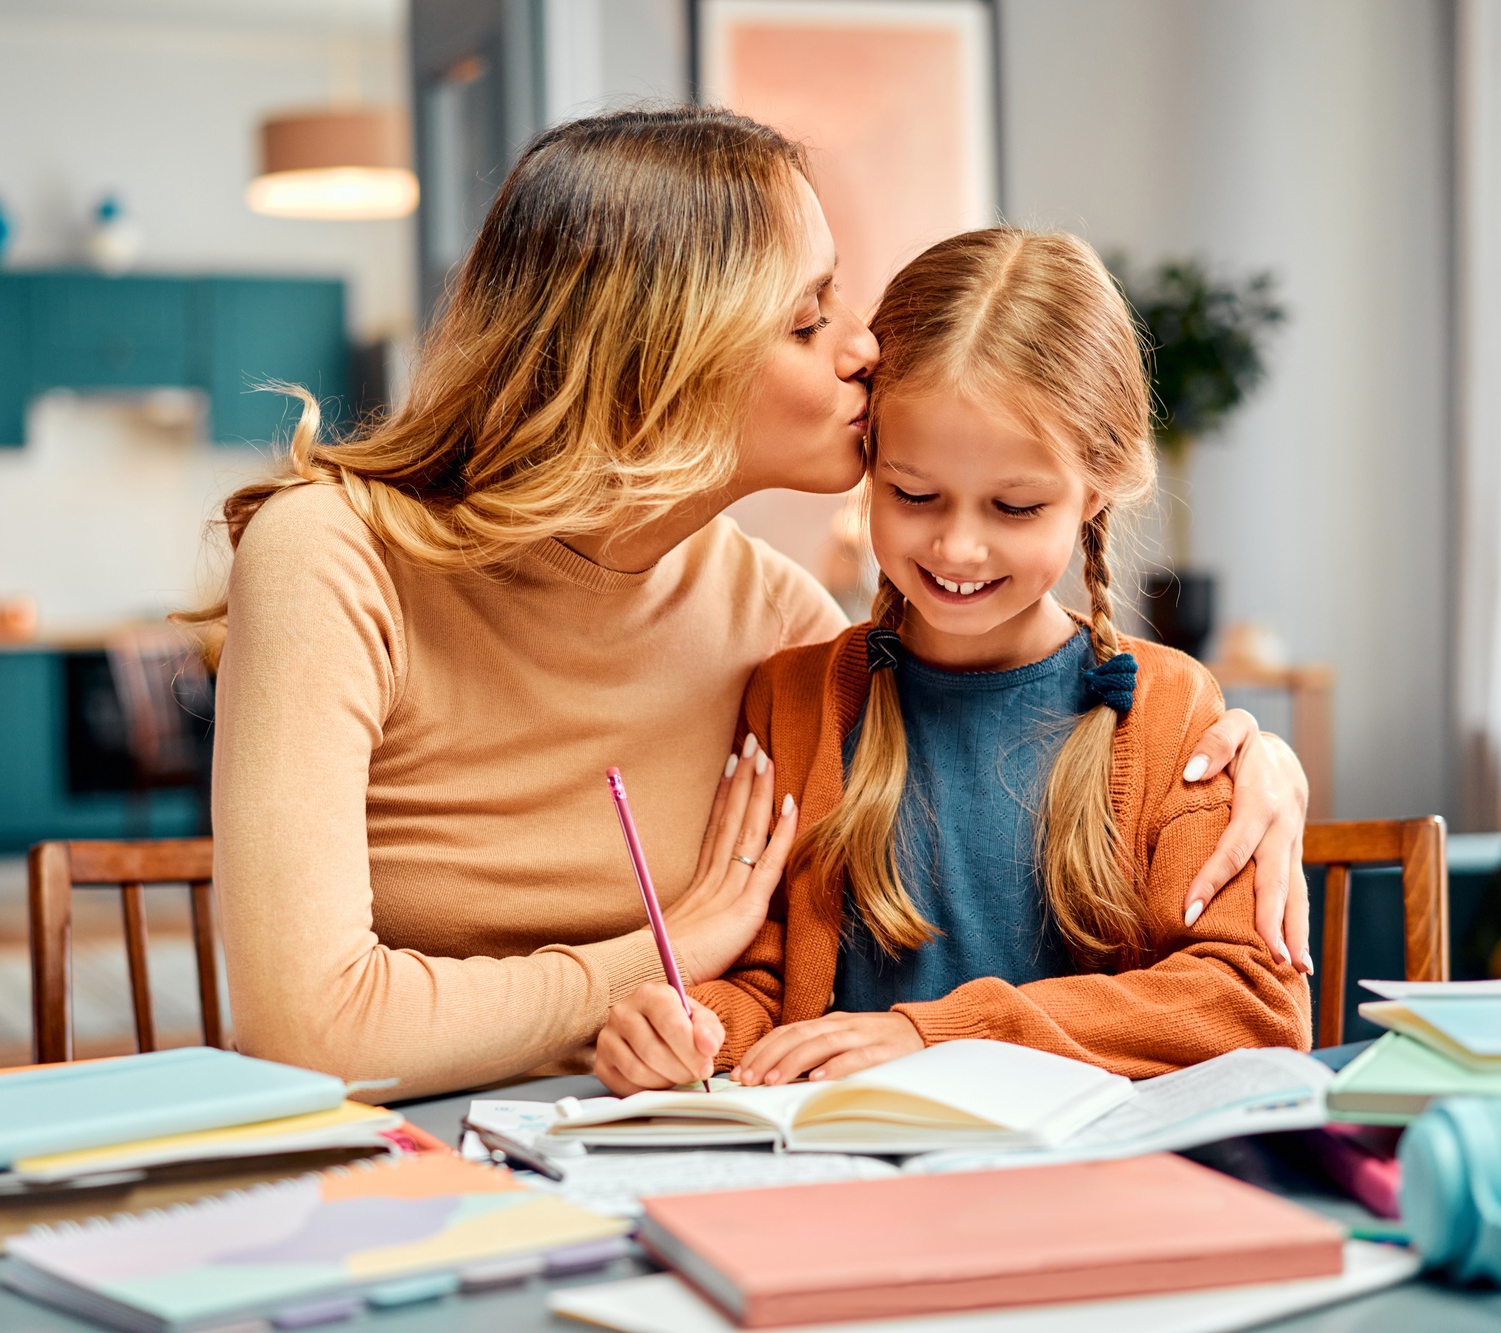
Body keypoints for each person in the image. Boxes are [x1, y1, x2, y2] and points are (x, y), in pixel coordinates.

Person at [201, 107, 1312, 1101]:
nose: (866, 346)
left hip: (656, 1135)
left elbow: (785, 975)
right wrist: (662, 954)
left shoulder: (781, 630)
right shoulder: (335, 556)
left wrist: (1250, 756)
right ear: (658, 355)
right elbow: (307, 1030)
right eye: (806, 317)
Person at [594, 228, 1311, 1097]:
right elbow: (764, 989)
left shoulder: (1166, 710)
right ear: (869, 462)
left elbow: (1254, 1003)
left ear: (1100, 483)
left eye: (1015, 505)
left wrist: (937, 1036)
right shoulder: (795, 697)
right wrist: (686, 1027)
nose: (958, 547)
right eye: (913, 494)